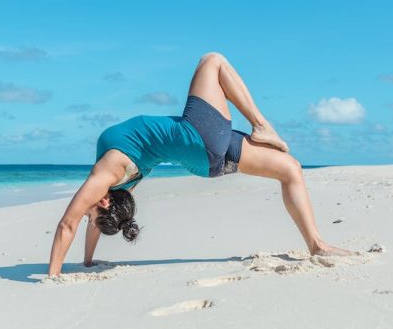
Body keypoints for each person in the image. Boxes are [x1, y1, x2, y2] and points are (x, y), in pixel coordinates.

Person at [48, 52, 354, 277]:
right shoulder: (108, 173)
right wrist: (54, 275)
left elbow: (85, 222)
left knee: (291, 169)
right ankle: (261, 124)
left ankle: (316, 245)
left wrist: (85, 263)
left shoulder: (115, 181)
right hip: (198, 137)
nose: (87, 210)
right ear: (104, 200)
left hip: (206, 163)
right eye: (93, 208)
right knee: (212, 62)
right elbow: (69, 224)